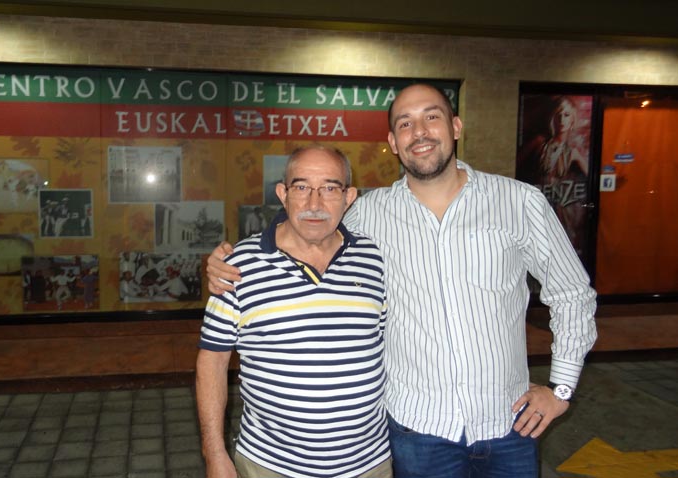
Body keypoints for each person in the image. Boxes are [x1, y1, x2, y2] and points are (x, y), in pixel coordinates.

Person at [207, 84, 597, 477]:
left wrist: (561, 388)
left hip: (509, 425)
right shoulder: (369, 214)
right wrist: (232, 259)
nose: (421, 132)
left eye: (432, 116)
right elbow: (309, 218)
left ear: (456, 126)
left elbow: (572, 294)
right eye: (405, 123)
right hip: (418, 433)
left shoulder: (519, 202)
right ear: (393, 142)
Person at [197, 145, 392, 478]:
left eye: (330, 188)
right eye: (302, 188)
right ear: (282, 194)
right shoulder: (238, 266)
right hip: (269, 466)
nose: (314, 204)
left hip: (369, 465)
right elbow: (213, 361)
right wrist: (214, 454)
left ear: (349, 197)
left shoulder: (373, 258)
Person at [519, 96, 590, 256]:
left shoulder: (572, 153)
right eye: (558, 115)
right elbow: (513, 163)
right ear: (552, 118)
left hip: (558, 205)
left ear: (572, 120)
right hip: (537, 200)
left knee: (558, 246)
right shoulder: (539, 143)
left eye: (566, 115)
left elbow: (590, 177)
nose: (562, 120)